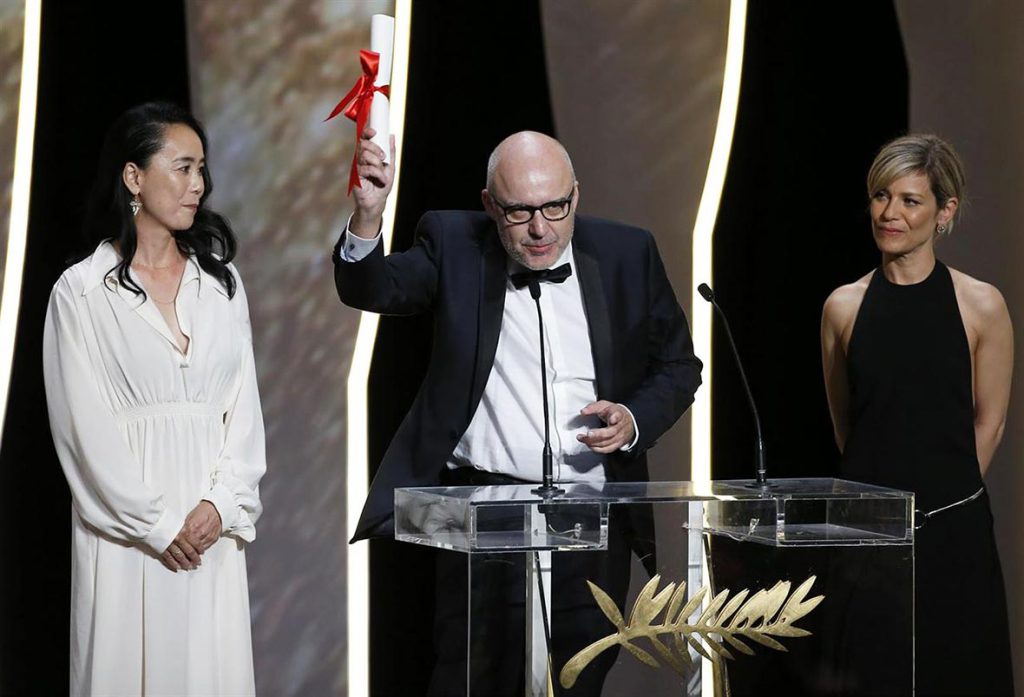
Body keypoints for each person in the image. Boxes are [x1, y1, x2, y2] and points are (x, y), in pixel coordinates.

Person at [334, 129, 702, 694]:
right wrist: (366, 218)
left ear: (575, 196)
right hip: (485, 519)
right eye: (519, 212)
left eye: (555, 207)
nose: (539, 229)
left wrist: (633, 418)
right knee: (476, 681)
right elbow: (374, 289)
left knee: (578, 681)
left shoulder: (629, 252)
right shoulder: (455, 244)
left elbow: (680, 366)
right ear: (489, 205)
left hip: (593, 523)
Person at [43, 102, 266, 696]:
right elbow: (82, 434)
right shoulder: (82, 292)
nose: (199, 185)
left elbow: (244, 415)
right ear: (134, 177)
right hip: (129, 545)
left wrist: (221, 503)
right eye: (183, 168)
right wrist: (159, 525)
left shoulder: (222, 284)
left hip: (209, 542)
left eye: (202, 171)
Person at [821, 134, 1014, 695]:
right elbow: (846, 423)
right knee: (869, 673)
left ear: (944, 211)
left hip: (954, 527)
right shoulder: (843, 306)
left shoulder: (982, 304)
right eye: (882, 196)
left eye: (910, 200)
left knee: (957, 669)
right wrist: (875, 511)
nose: (891, 213)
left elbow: (990, 420)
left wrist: (945, 500)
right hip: (865, 532)